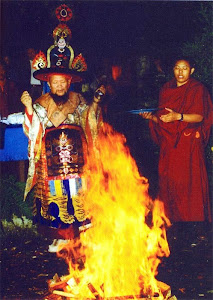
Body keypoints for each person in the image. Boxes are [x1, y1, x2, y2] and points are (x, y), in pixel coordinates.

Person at [21, 68, 105, 250]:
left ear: (69, 83)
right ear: (48, 84)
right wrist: (28, 107)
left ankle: (86, 234)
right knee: (56, 194)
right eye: (55, 82)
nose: (59, 86)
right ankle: (61, 236)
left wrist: (96, 102)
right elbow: (32, 129)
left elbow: (91, 119)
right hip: (50, 158)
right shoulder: (40, 104)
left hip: (78, 158)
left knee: (80, 193)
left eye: (63, 82)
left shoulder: (79, 100)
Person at [140, 57, 212, 223]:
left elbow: (199, 117)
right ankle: (171, 221)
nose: (180, 72)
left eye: (184, 68)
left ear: (191, 70)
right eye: (177, 68)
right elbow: (165, 120)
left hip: (188, 146)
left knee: (189, 184)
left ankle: (194, 223)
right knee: (170, 183)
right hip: (170, 145)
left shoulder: (197, 89)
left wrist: (178, 116)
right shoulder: (166, 89)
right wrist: (152, 118)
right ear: (173, 70)